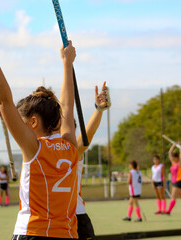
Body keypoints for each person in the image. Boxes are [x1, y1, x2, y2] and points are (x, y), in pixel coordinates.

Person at [0, 29, 79, 239]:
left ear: (33, 122)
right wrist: (67, 63)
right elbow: (67, 105)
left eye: (22, 121)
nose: (18, 125)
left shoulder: (35, 149)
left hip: (33, 233)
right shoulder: (71, 147)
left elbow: (4, 101)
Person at [75, 82, 111, 240]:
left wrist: (99, 110)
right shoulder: (37, 148)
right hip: (50, 219)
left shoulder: (71, 150)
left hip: (75, 215)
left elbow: (86, 135)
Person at [165, 143, 181, 215]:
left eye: (174, 157)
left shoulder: (180, 163)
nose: (173, 158)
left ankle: (169, 211)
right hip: (174, 181)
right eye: (172, 157)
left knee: (173, 197)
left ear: (177, 158)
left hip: (178, 181)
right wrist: (174, 145)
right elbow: (169, 152)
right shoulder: (173, 163)